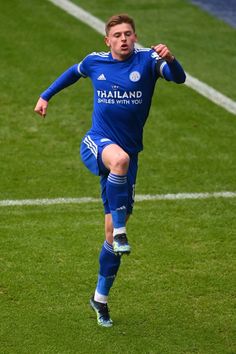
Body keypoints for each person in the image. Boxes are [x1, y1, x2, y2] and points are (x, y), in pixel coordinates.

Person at [34, 13, 186, 327]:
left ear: (135, 36)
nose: (123, 39)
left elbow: (178, 78)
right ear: (108, 40)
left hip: (128, 154)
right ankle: (121, 230)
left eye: (128, 34)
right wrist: (45, 95)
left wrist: (172, 59)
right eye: (117, 35)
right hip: (97, 143)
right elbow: (72, 73)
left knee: (109, 236)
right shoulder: (95, 61)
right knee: (119, 163)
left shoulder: (148, 61)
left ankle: (99, 299)